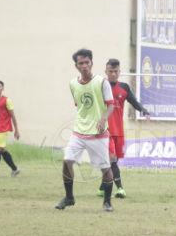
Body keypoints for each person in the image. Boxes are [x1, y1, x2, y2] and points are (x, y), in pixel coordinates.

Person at [55, 48, 116, 212]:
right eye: (80, 63)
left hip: (98, 133)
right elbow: (80, 105)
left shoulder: (102, 82)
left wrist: (103, 118)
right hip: (79, 131)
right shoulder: (73, 84)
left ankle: (107, 202)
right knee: (67, 162)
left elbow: (111, 105)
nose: (84, 66)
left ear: (91, 63)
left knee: (105, 168)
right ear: (76, 66)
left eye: (87, 62)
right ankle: (69, 197)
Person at [95, 58, 150, 198]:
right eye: (110, 71)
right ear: (105, 72)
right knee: (112, 159)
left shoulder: (124, 87)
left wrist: (143, 109)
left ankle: (103, 187)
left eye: (115, 71)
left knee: (112, 161)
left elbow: (133, 101)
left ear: (119, 72)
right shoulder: (100, 86)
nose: (113, 74)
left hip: (119, 131)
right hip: (105, 131)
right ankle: (120, 189)